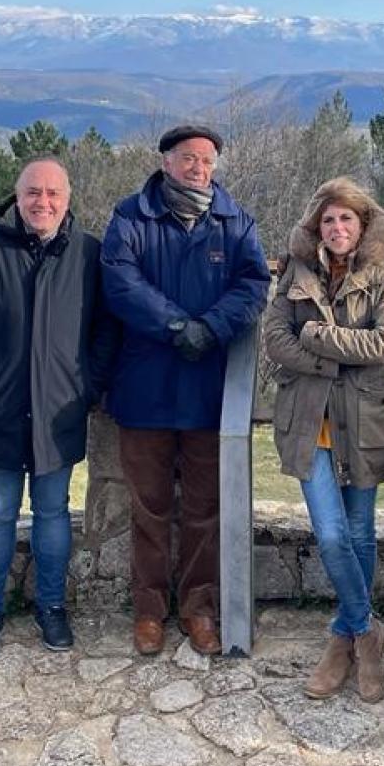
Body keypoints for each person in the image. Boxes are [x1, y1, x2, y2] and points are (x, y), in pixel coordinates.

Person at [101, 125, 270, 656]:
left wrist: (213, 327)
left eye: (207, 160)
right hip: (144, 389)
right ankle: (149, 609)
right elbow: (121, 284)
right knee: (148, 507)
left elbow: (254, 285)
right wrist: (178, 327)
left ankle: (200, 608)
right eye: (188, 158)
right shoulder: (130, 217)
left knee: (203, 509)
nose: (198, 168)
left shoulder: (234, 221)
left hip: (207, 391)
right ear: (166, 162)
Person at [0, 157, 117, 659]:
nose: (43, 202)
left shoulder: (89, 253)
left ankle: (52, 608)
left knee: (54, 513)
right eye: (33, 192)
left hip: (59, 412)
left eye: (53, 193)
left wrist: (86, 385)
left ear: (68, 199)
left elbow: (107, 329)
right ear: (17, 197)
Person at [263, 177, 384, 702]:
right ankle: (367, 632)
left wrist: (316, 337)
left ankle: (343, 641)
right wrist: (329, 361)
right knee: (330, 532)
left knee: (361, 532)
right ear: (315, 227)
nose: (338, 227)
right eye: (329, 220)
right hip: (309, 424)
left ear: (363, 225)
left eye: (347, 218)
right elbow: (274, 339)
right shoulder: (295, 270)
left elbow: (380, 343)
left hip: (363, 423)